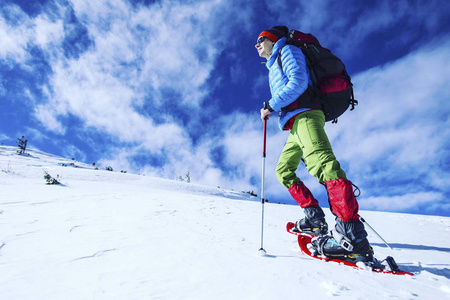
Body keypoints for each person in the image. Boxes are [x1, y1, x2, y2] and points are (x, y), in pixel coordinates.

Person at [255, 26, 374, 262]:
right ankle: (314, 219)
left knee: (324, 166)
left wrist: (271, 105)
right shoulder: (274, 63)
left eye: (261, 40)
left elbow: (298, 82)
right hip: (294, 123)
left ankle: (353, 238)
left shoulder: (287, 50)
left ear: (272, 40)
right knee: (283, 171)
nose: (257, 44)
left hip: (306, 115)